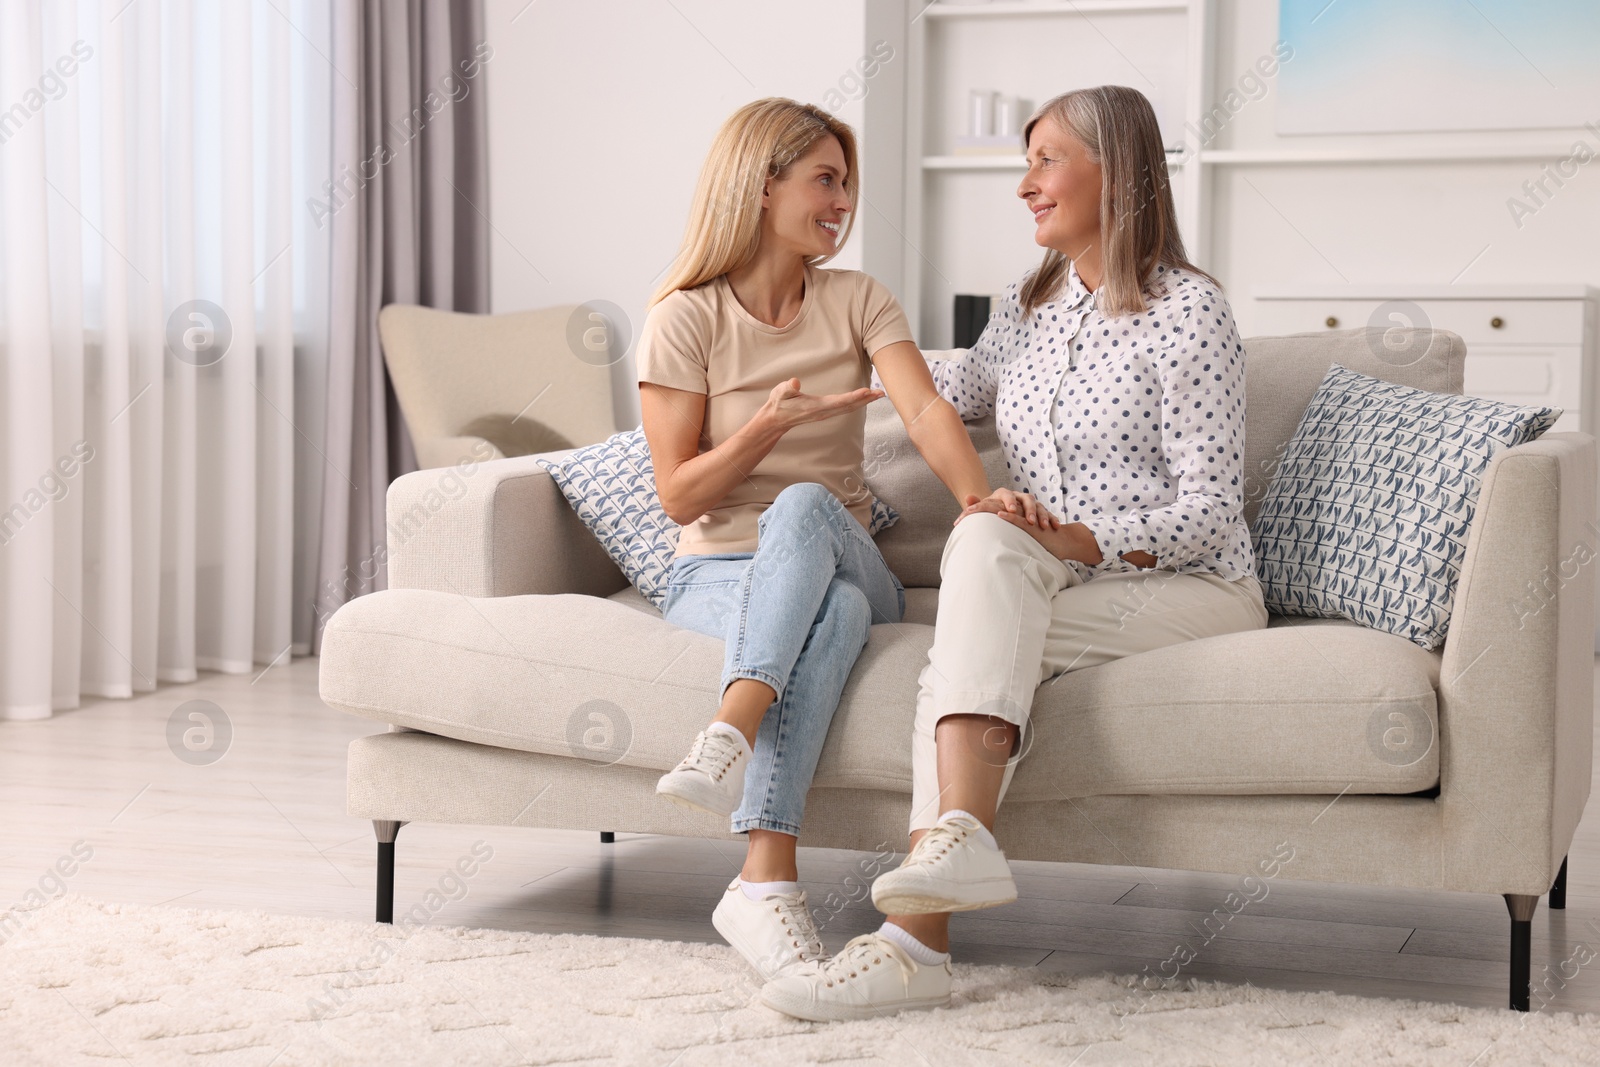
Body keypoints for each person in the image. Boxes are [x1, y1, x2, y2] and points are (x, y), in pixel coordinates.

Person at [760, 85, 1271, 1021]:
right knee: (984, 549)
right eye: (1025, 163)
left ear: (1117, 173)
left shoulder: (1189, 311)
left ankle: (916, 942)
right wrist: (831, 339)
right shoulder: (1028, 304)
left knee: (967, 634)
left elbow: (1207, 510)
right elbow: (946, 385)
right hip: (1050, 572)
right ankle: (948, 864)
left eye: (1047, 160)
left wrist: (1080, 538)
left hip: (1188, 584)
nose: (1026, 186)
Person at [637, 97, 995, 985]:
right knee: (827, 614)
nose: (843, 201)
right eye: (825, 180)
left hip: (846, 553)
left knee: (803, 509)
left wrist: (978, 501)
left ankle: (730, 725)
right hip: (716, 573)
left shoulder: (857, 298)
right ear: (761, 186)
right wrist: (762, 428)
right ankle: (764, 884)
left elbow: (923, 408)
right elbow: (680, 497)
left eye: (848, 183)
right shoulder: (684, 317)